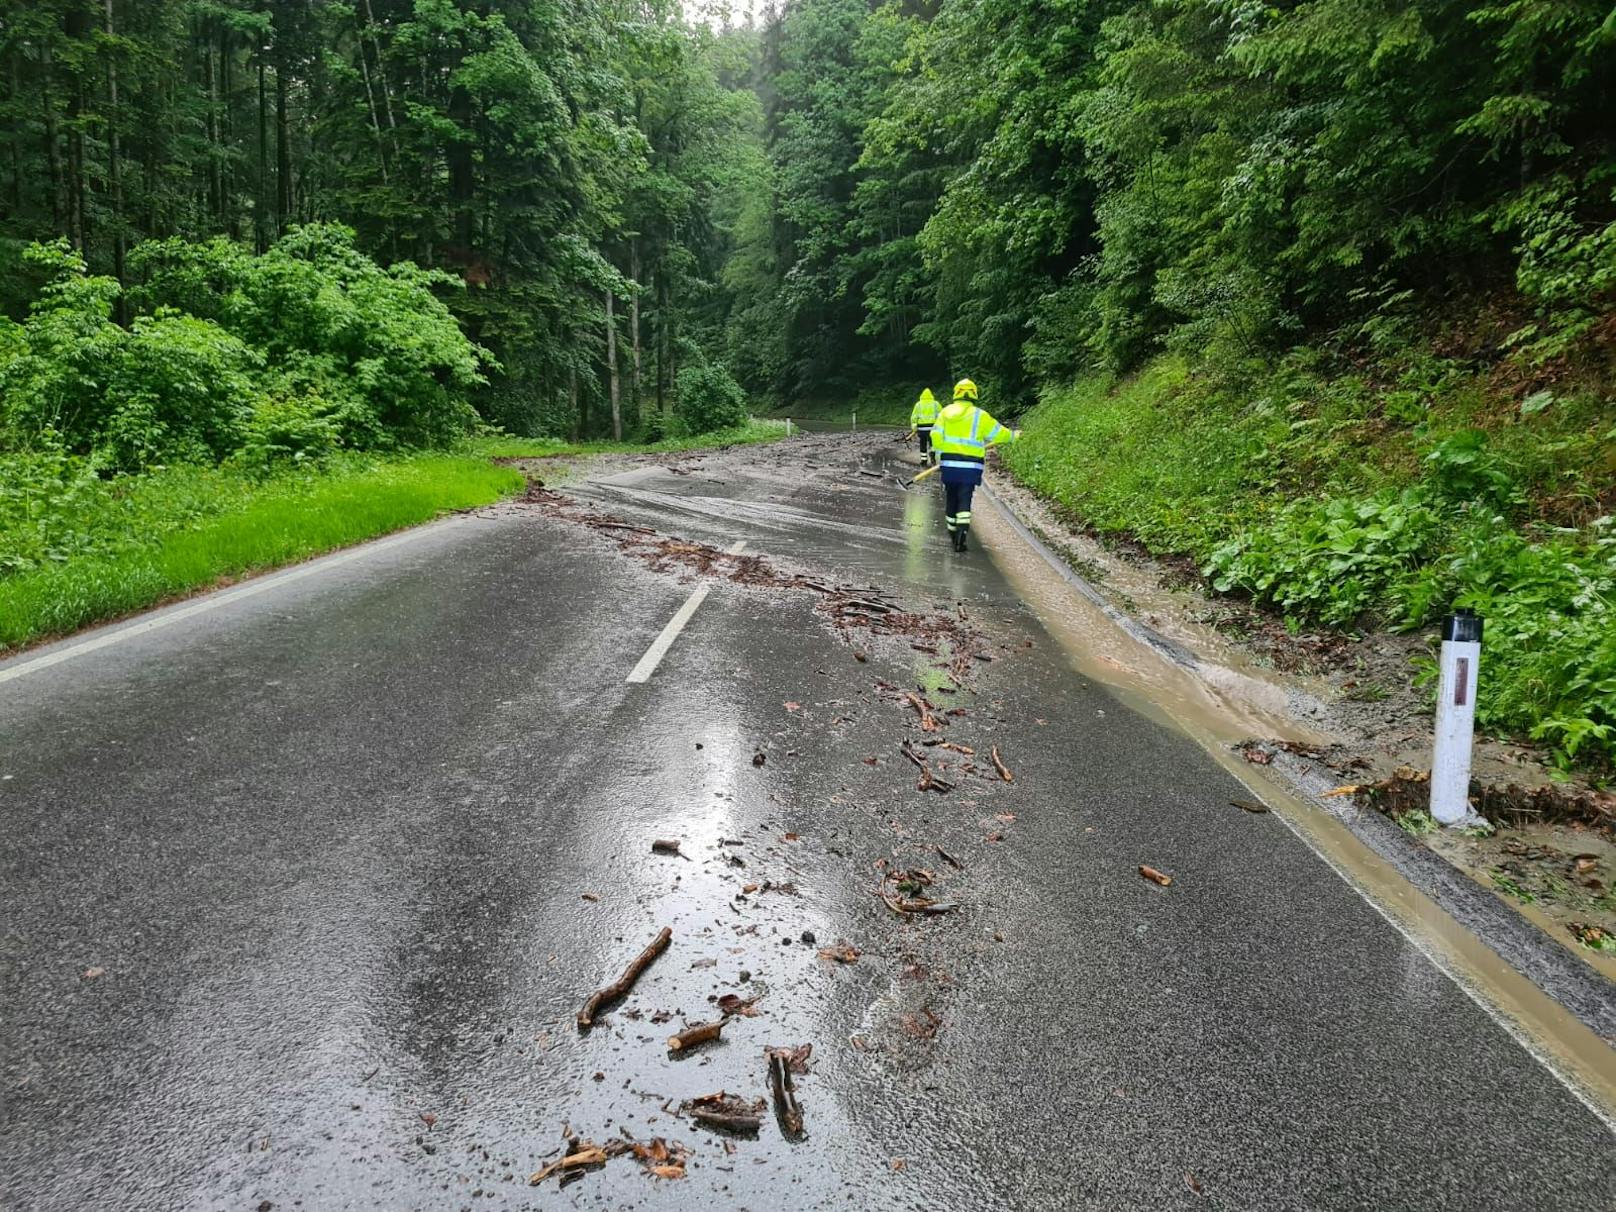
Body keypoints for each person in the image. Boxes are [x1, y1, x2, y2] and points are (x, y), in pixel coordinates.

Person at [929, 378, 1018, 552]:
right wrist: (1014, 436)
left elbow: (936, 436)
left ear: (956, 393)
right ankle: (962, 535)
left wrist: (942, 452)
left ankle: (953, 532)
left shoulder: (945, 413)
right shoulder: (980, 415)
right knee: (965, 497)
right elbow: (998, 434)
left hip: (949, 464)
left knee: (951, 497)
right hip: (971, 466)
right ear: (974, 394)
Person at [909, 388, 940, 464]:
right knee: (933, 444)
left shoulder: (918, 405)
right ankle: (933, 456)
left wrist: (914, 428)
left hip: (922, 429)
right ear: (931, 395)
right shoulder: (936, 404)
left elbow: (913, 418)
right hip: (933, 428)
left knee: (923, 443)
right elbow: (941, 416)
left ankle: (923, 460)